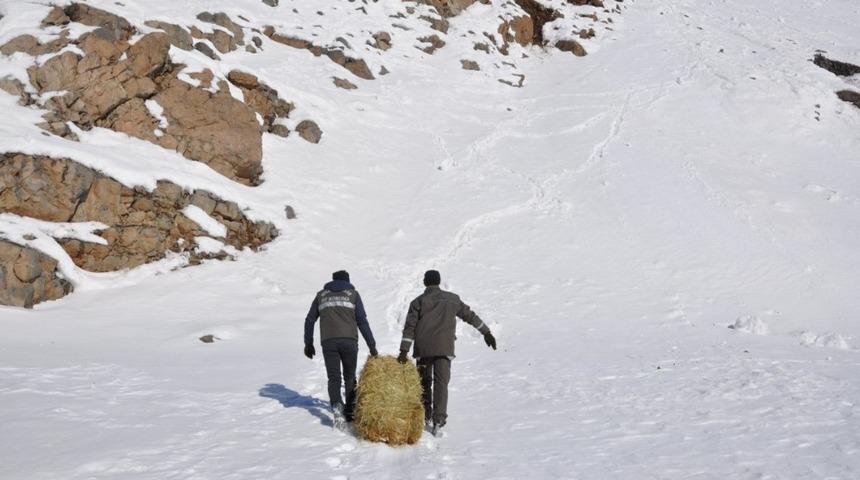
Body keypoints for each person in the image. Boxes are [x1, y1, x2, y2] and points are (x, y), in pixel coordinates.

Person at [398, 270, 496, 436]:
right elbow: (470, 316)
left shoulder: (418, 302)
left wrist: (403, 351)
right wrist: (486, 332)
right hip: (444, 348)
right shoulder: (452, 299)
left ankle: (426, 415)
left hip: (423, 349)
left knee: (424, 382)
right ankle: (438, 420)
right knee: (441, 383)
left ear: (425, 282)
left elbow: (410, 328)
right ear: (439, 281)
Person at [304, 270, 378, 427]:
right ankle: (351, 411)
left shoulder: (321, 295)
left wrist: (308, 343)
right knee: (350, 376)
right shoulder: (353, 295)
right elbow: (362, 321)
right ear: (347, 280)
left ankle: (337, 406)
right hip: (349, 341)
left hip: (328, 341)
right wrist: (372, 345)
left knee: (334, 377)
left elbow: (310, 320)